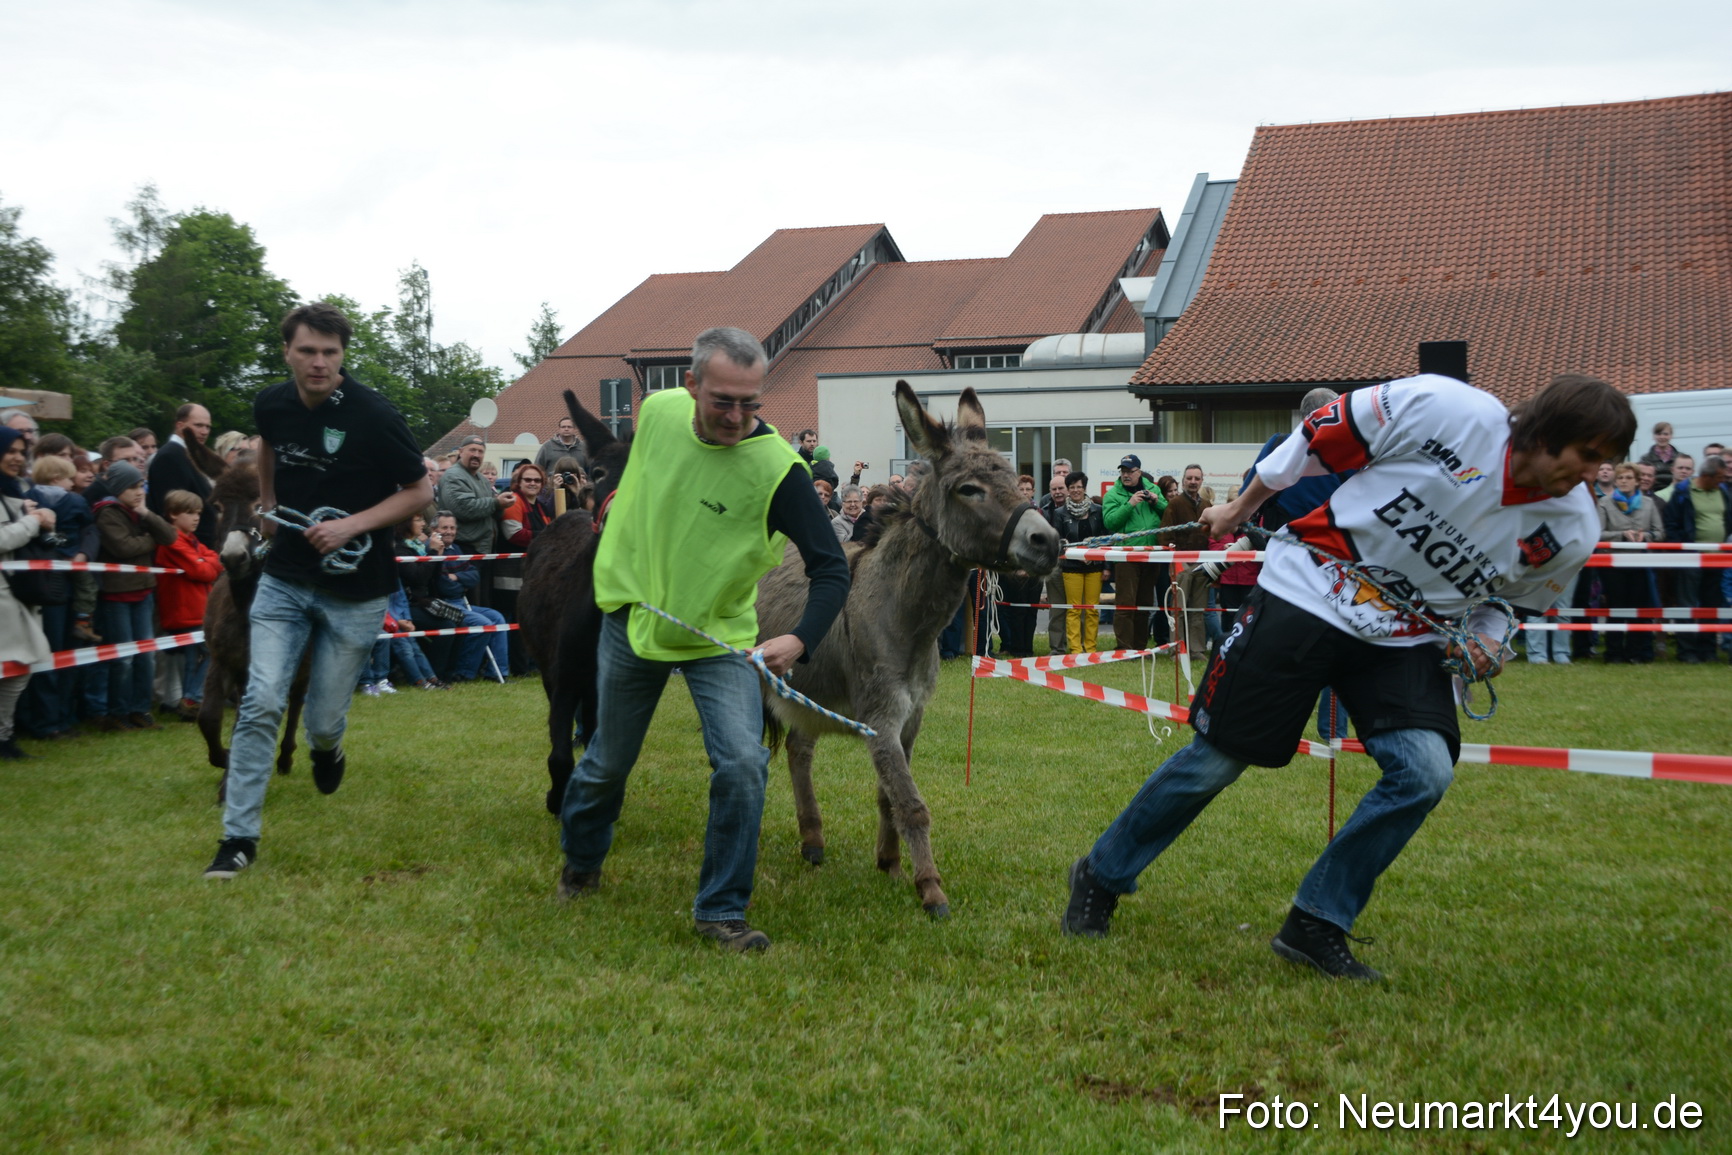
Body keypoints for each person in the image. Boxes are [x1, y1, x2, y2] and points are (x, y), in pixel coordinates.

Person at [1062, 372, 1633, 981]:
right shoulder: (1446, 410)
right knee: (1219, 759)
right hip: (1310, 585)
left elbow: (1511, 603)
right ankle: (1103, 872)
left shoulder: (1571, 528)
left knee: (1424, 770)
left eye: (1606, 462)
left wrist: (1492, 639)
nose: (1594, 474)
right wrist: (1240, 506)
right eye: (1589, 455)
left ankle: (1316, 922)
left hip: (1406, 635)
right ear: (1548, 431)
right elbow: (1316, 435)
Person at [557, 326, 849, 952]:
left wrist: (801, 638)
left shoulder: (779, 471)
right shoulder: (658, 414)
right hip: (632, 619)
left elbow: (831, 566)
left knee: (744, 765)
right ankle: (581, 861)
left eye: (752, 403)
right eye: (723, 401)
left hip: (718, 637)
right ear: (689, 386)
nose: (738, 417)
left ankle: (721, 910)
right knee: (607, 762)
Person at [205, 301, 432, 880]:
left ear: (342, 356)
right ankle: (237, 839)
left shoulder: (374, 414)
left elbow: (419, 492)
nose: (318, 362)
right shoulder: (271, 403)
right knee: (260, 701)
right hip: (284, 578)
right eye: (307, 350)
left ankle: (327, 746)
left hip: (357, 590)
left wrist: (351, 525)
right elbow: (270, 446)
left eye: (330, 352)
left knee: (324, 719)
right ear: (287, 351)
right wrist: (271, 504)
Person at [90, 462, 176, 731]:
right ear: (118, 489)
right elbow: (123, 547)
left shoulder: (141, 513)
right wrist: (151, 540)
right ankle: (118, 712)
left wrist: (147, 515)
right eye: (132, 487)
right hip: (117, 594)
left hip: (143, 590)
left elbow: (170, 536)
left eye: (141, 485)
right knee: (123, 657)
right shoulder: (107, 514)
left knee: (146, 655)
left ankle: (140, 710)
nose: (139, 491)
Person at [0, 425, 54, 758]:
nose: (18, 458)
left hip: (14, 594)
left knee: (19, 668)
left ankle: (4, 735)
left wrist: (38, 517)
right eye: (11, 450)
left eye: (22, 452)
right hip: (4, 597)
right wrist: (33, 521)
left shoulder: (15, 490)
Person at [154, 489, 222, 716]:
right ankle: (193, 698)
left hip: (196, 609)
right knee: (212, 652)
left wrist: (206, 561)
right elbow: (204, 571)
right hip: (184, 610)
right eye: (190, 513)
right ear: (173, 514)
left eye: (199, 513)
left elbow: (215, 559)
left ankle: (188, 702)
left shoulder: (191, 540)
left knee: (194, 659)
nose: (196, 518)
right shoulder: (173, 541)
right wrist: (206, 562)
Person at [1662, 454, 1732, 664]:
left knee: (1712, 604)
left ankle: (1707, 649)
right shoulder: (1683, 491)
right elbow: (1671, 523)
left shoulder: (1723, 491)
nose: (1723, 480)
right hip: (1691, 558)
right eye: (1719, 477)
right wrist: (1683, 551)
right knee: (1688, 603)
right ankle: (1687, 651)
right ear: (1707, 476)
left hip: (1717, 559)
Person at [1596, 463, 1663, 663]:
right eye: (1621, 478)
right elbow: (1598, 534)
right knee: (1616, 608)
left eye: (1628, 478)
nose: (1624, 481)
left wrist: (1647, 536)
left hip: (1640, 562)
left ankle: (1635, 653)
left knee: (1639, 609)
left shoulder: (1648, 503)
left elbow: (1660, 533)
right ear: (1616, 481)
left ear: (1636, 481)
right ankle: (1614, 653)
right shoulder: (1605, 503)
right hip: (1613, 564)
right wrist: (1621, 535)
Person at [437, 435, 513, 608]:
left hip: (483, 548)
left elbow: (492, 510)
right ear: (461, 452)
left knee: (484, 601)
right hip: (465, 548)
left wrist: (501, 505)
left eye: (480, 451)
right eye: (472, 450)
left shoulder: (481, 479)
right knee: (472, 603)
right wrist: (496, 502)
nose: (476, 455)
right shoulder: (453, 476)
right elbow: (463, 508)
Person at [1101, 455, 1167, 650]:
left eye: (1130, 471)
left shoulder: (1153, 490)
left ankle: (1140, 646)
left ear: (1139, 472)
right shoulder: (1112, 495)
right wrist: (1129, 504)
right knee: (1125, 604)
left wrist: (1156, 502)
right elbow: (1110, 522)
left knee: (1145, 604)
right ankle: (1123, 647)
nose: (1126, 475)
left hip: (1150, 554)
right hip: (1127, 556)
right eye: (1123, 471)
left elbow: (1168, 514)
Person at [497, 463, 552, 673]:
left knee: (530, 620)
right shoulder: (513, 501)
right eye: (528, 480)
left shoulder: (540, 506)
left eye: (537, 480)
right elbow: (514, 535)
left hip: (531, 572)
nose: (532, 483)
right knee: (516, 621)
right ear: (518, 482)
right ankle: (518, 666)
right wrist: (547, 538)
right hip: (510, 574)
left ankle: (531, 664)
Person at [147, 403, 219, 547]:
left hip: (202, 546)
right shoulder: (170, 456)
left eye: (207, 426)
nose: (204, 431)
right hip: (186, 548)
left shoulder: (191, 454)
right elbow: (172, 511)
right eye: (198, 425)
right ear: (180, 425)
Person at [1050, 472, 1107, 653]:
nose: (1076, 490)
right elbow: (1058, 540)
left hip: (1095, 567)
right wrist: (1072, 552)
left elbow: (1106, 539)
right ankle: (1075, 649)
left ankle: (1090, 648)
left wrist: (1104, 564)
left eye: (1079, 487)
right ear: (1068, 489)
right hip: (1071, 568)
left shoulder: (1098, 510)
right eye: (1072, 487)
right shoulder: (1060, 513)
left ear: (1085, 488)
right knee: (1073, 609)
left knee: (1092, 609)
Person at [1161, 464, 1212, 658]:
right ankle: (1177, 648)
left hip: (1203, 562)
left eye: (1196, 478)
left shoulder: (1207, 505)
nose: (1193, 482)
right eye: (1189, 478)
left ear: (1201, 481)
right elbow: (1165, 534)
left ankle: (1197, 649)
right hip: (1181, 562)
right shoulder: (1175, 504)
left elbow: (1214, 534)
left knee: (1198, 609)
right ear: (1183, 481)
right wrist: (1174, 560)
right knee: (1179, 608)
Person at [1038, 474, 1070, 655]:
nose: (1058, 493)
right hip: (1054, 566)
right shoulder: (1043, 511)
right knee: (1057, 609)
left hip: (1078, 567)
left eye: (1061, 488)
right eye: (1054, 489)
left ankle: (1077, 646)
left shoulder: (1081, 508)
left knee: (1077, 610)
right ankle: (1057, 647)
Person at [1639, 422, 1678, 491]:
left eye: (1665, 434)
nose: (1662, 437)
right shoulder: (1645, 459)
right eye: (1658, 434)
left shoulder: (1679, 458)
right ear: (1653, 436)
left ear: (1671, 436)